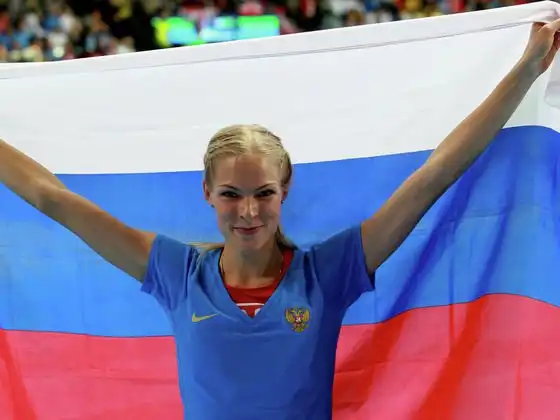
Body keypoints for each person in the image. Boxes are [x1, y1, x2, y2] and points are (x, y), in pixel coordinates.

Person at [1, 19, 560, 420]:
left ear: (285, 189)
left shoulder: (328, 272)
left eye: (263, 193)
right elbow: (53, 198)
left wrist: (526, 70)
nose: (248, 211)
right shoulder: (175, 272)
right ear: (207, 193)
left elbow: (435, 175)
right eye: (231, 194)